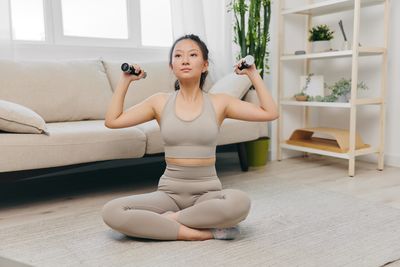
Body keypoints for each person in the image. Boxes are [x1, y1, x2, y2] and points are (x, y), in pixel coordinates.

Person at [101, 34, 278, 241]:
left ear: (204, 65)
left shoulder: (220, 102)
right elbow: (112, 120)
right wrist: (125, 81)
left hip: (208, 194)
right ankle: (200, 233)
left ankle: (171, 220)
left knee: (240, 202)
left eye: (192, 55)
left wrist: (252, 74)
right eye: (178, 56)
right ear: (172, 66)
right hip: (168, 194)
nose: (185, 60)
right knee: (111, 211)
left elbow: (270, 112)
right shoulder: (159, 102)